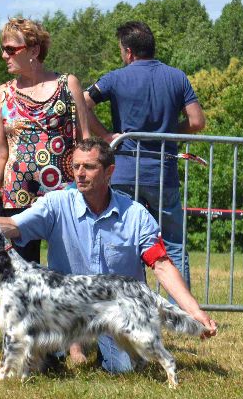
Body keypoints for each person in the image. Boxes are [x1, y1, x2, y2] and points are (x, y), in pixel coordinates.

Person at [0, 137, 217, 374]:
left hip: (116, 310)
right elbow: (14, 226)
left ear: (110, 172)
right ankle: (60, 351)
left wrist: (193, 310)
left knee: (124, 368)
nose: (79, 174)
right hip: (63, 313)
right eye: (76, 166)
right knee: (45, 366)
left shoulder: (135, 215)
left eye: (88, 167)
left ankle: (102, 350)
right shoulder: (56, 204)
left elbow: (161, 265)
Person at [84, 21, 205, 286]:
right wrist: (171, 131)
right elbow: (197, 122)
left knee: (123, 241)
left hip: (124, 171)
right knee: (172, 244)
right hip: (163, 173)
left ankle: (127, 304)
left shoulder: (115, 78)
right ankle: (182, 309)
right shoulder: (177, 77)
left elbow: (82, 102)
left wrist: (105, 136)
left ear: (128, 52)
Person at [0, 17, 89, 263]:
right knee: (21, 275)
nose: (4, 55)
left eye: (11, 49)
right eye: (3, 48)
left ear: (33, 50)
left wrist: (89, 185)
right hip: (17, 195)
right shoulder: (2, 94)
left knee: (70, 269)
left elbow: (84, 139)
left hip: (64, 193)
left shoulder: (68, 84)